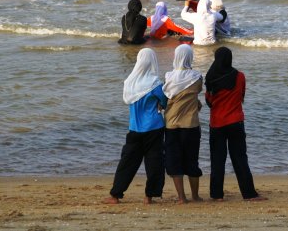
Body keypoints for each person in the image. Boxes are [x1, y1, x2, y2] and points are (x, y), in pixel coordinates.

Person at [104, 48, 167, 205]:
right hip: (154, 127)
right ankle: (149, 196)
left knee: (127, 162)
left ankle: (115, 195)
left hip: (134, 128)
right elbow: (164, 102)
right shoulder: (155, 84)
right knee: (154, 163)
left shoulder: (129, 83)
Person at [205, 47, 264, 201]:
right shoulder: (240, 76)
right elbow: (241, 96)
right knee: (240, 159)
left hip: (217, 123)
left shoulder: (211, 77)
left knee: (217, 160)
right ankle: (249, 194)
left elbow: (209, 102)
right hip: (235, 122)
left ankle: (216, 195)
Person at [163, 45, 204, 204]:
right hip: (191, 126)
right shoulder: (197, 77)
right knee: (192, 160)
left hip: (172, 125)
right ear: (190, 57)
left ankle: (181, 197)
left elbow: (166, 97)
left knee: (174, 161)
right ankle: (195, 196)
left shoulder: (168, 77)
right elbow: (195, 94)